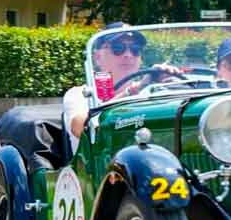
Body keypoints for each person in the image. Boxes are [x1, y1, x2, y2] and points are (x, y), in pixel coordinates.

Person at [62, 23, 177, 155]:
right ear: (97, 57)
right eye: (118, 48)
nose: (128, 55)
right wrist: (133, 91)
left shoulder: (151, 91)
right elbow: (81, 128)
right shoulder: (80, 94)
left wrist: (171, 85)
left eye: (135, 49)